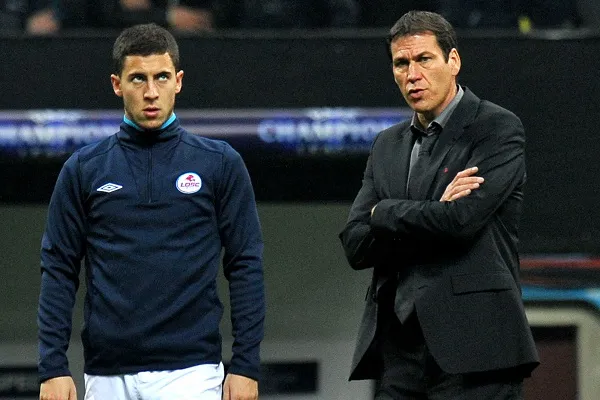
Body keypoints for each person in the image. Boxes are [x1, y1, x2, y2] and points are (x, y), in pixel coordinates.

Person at [37, 23, 264, 400]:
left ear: (179, 81)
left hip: (192, 373)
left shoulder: (220, 163)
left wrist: (246, 364)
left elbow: (246, 265)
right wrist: (52, 367)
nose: (151, 92)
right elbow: (58, 268)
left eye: (161, 77)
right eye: (138, 78)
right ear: (117, 84)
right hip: (106, 373)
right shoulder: (84, 169)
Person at [339, 10, 539, 399]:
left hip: (477, 352)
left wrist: (385, 212)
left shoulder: (495, 128)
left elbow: (461, 221)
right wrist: (430, 210)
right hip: (400, 351)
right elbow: (355, 244)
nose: (412, 74)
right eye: (401, 63)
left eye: (424, 59)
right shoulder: (386, 144)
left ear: (453, 61)